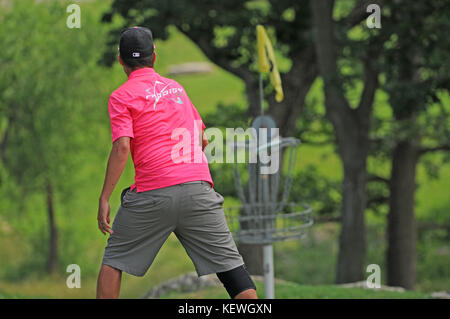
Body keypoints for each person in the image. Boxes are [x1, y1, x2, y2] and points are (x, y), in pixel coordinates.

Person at [96, 26, 257, 299]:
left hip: (152, 193)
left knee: (115, 261)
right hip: (198, 188)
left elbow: (122, 146)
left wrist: (105, 198)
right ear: (154, 56)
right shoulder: (177, 89)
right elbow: (202, 140)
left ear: (120, 59)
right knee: (232, 271)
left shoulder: (121, 96)